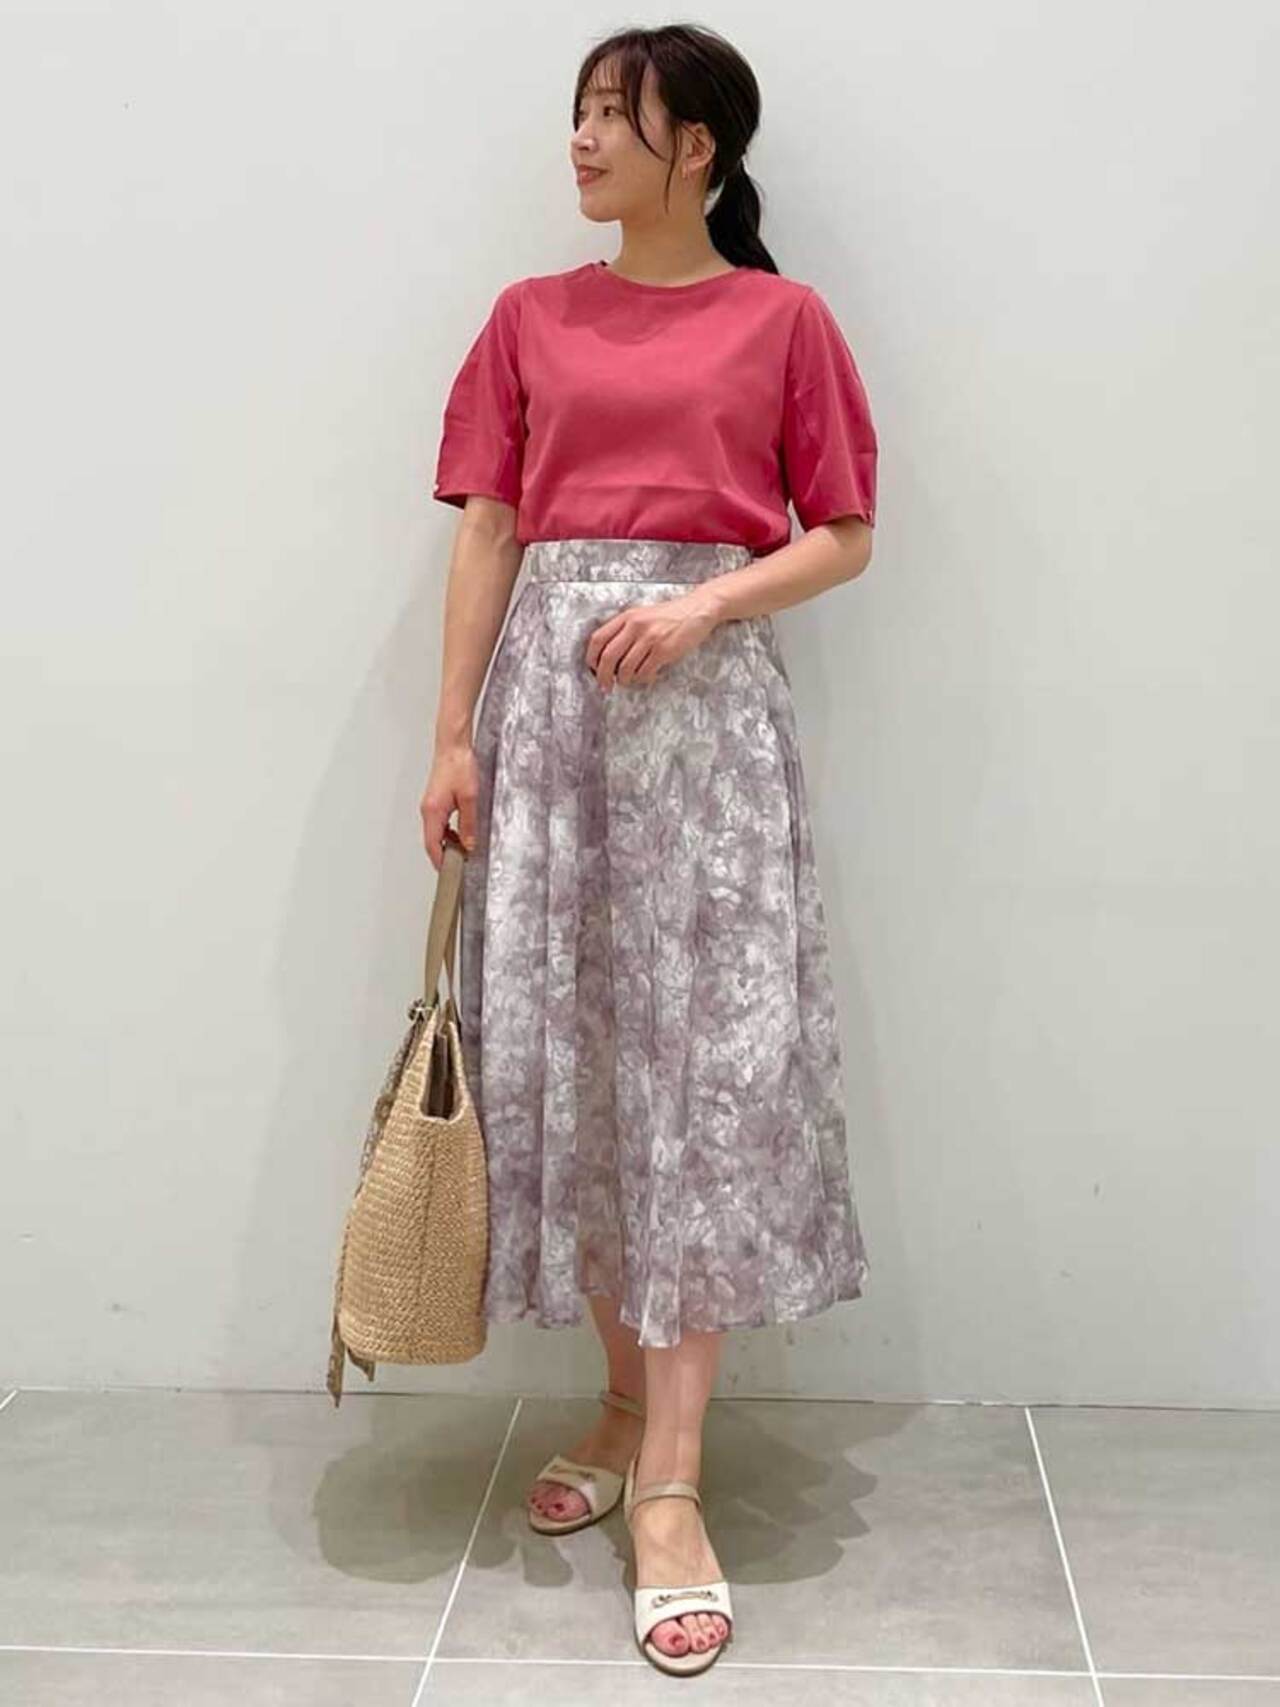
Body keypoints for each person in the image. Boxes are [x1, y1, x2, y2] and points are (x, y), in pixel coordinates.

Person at [420, 22, 877, 1679]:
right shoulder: (526, 319)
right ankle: (620, 1411)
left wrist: (703, 605)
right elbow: (491, 523)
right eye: (579, 113)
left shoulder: (783, 321)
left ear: (701, 148)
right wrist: (453, 735)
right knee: (588, 1073)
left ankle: (671, 1486)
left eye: (617, 115)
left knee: (702, 1082)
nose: (583, 141)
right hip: (550, 737)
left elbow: (844, 533)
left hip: (707, 740)